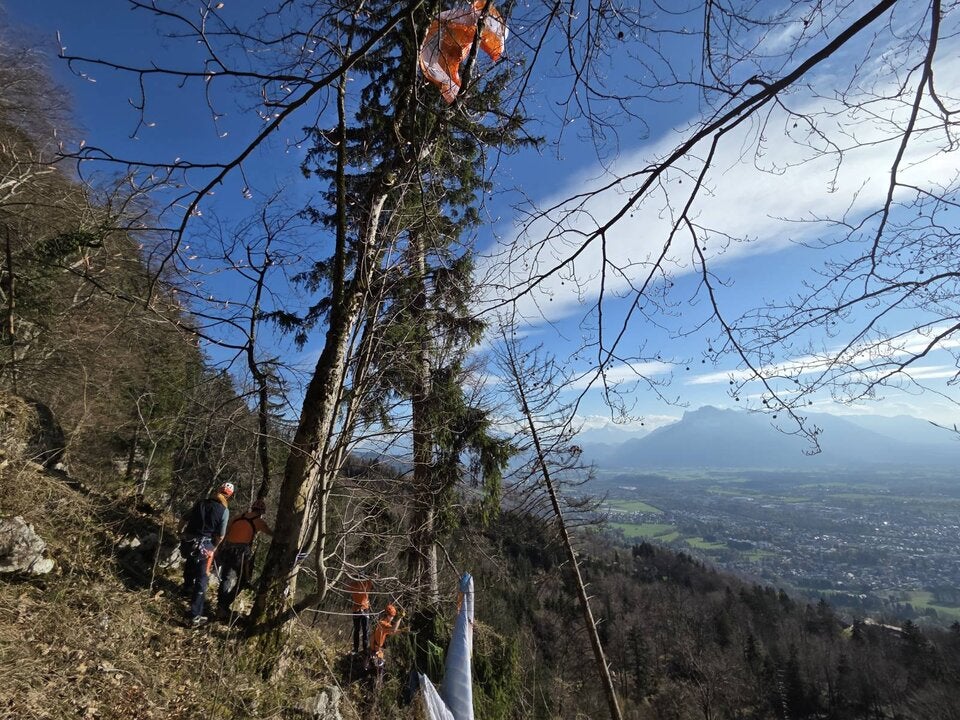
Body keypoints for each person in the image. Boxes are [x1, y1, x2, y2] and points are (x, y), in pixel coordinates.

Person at [178, 482, 233, 626]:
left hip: (189, 541)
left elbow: (184, 518)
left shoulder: (201, 503)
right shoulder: (224, 511)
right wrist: (214, 547)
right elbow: (221, 535)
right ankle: (195, 615)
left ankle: (186, 588)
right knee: (203, 578)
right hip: (205, 544)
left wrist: (180, 533)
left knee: (190, 562)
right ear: (229, 496)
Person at [216, 497, 273, 619]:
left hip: (227, 548)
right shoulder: (258, 522)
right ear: (262, 512)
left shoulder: (238, 516)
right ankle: (224, 605)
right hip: (240, 552)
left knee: (225, 577)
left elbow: (227, 530)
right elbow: (271, 533)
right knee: (243, 580)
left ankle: (221, 605)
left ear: (252, 508)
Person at [368, 603, 403, 675]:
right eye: (392, 616)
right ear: (387, 615)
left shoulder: (383, 624)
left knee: (378, 671)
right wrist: (400, 618)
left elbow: (392, 632)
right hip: (375, 651)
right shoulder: (382, 624)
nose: (392, 618)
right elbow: (393, 630)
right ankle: (376, 684)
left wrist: (403, 631)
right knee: (379, 672)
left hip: (377, 651)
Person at [347, 574, 373, 654]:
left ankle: (365, 649)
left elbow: (373, 581)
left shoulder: (367, 583)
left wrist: (374, 577)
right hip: (356, 609)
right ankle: (356, 649)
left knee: (365, 630)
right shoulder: (353, 584)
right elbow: (346, 585)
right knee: (357, 630)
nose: (360, 580)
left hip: (365, 609)